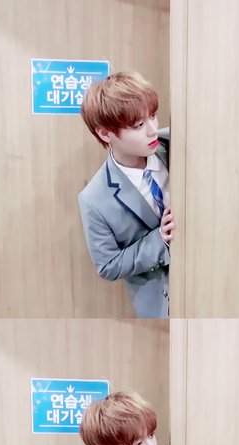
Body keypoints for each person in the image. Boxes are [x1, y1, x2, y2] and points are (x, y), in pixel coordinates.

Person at [78, 72, 174, 318]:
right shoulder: (94, 199)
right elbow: (108, 265)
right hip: (162, 305)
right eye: (138, 125)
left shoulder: (176, 143)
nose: (152, 130)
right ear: (105, 134)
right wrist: (159, 240)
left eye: (152, 116)